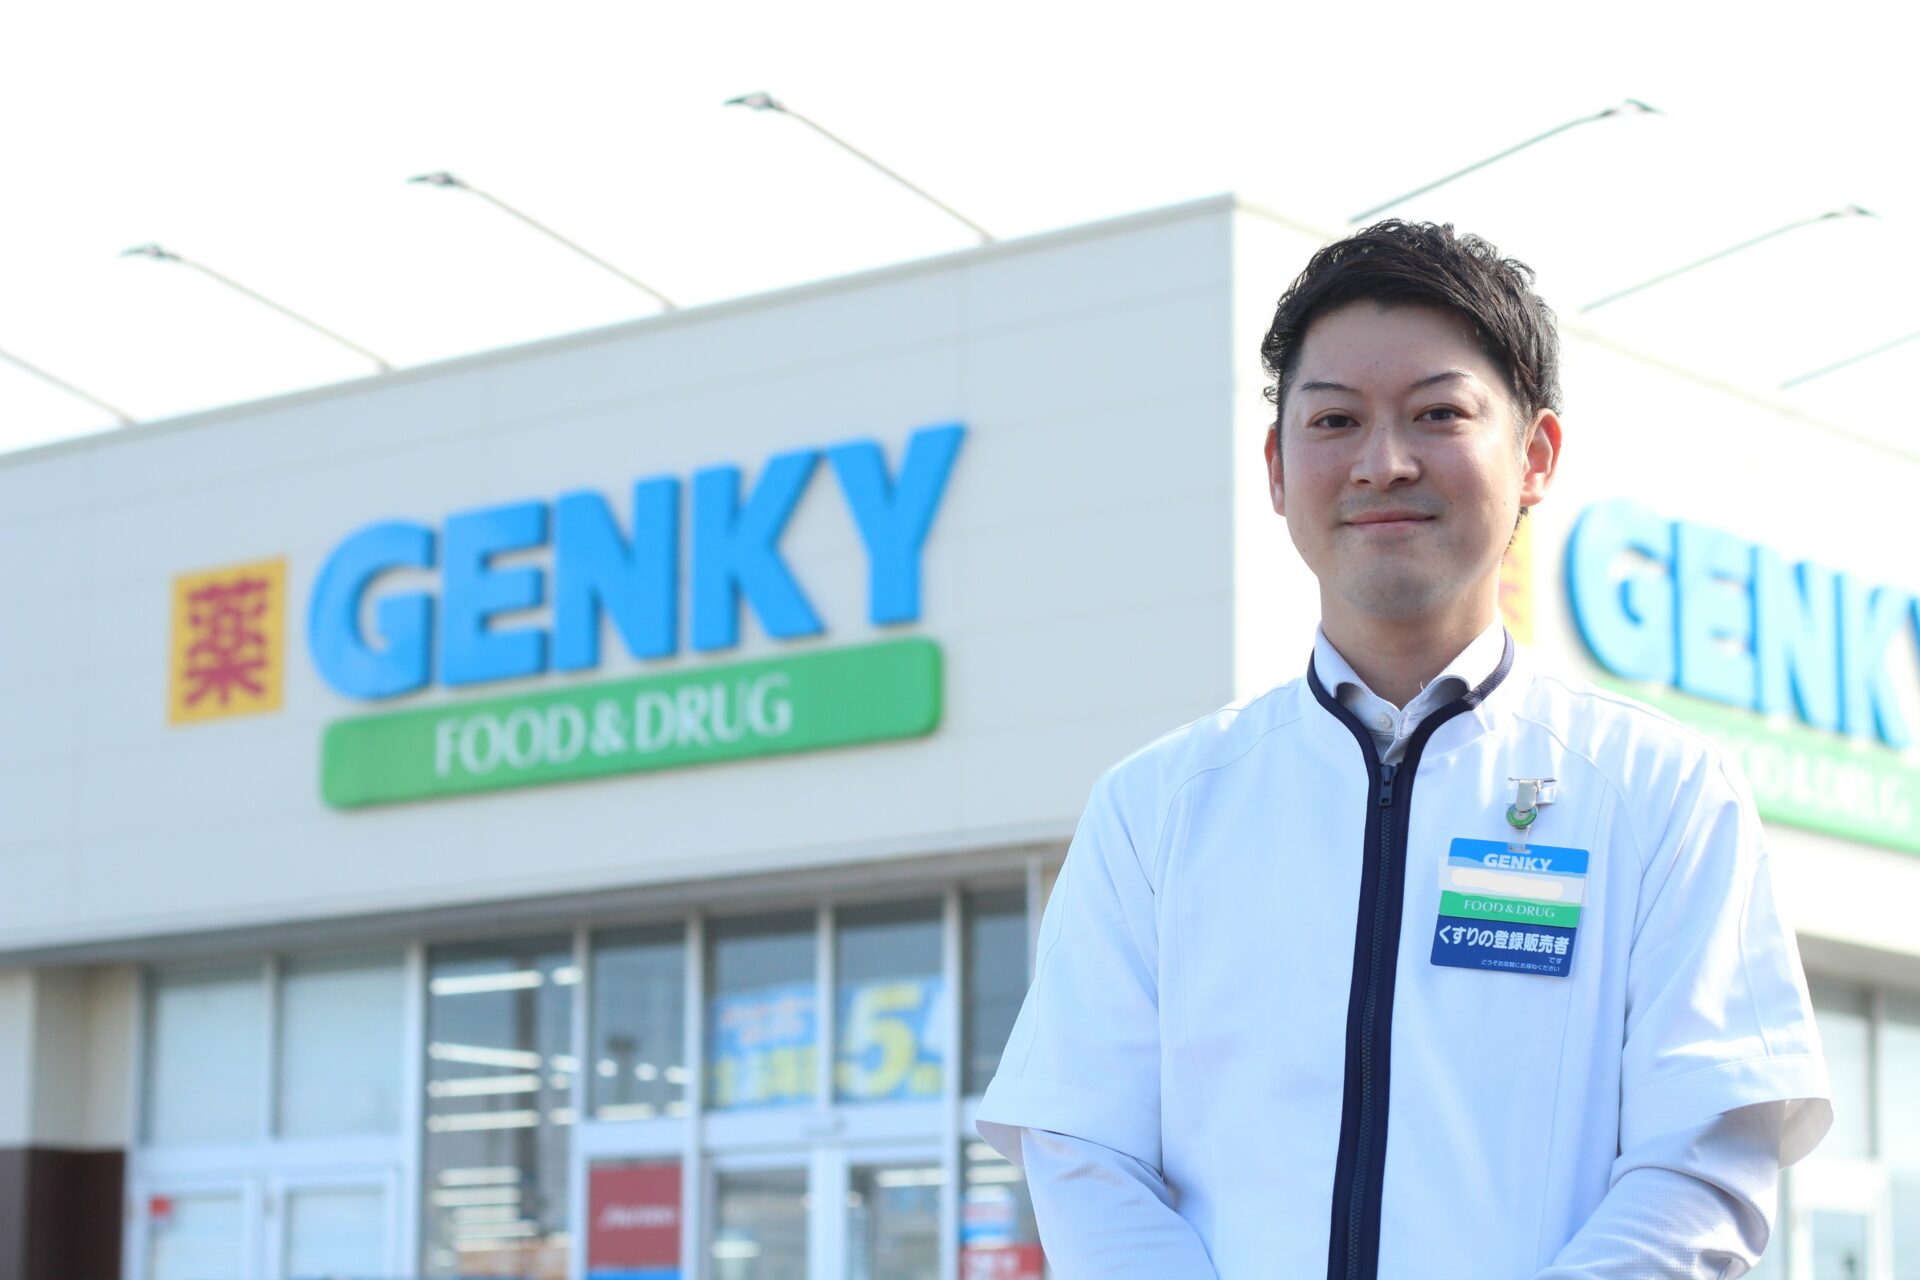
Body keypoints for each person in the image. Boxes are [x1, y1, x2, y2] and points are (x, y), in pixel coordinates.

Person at [972, 221, 1832, 1278]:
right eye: (1335, 420)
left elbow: (1702, 1158)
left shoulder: (1659, 793)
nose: (1383, 463)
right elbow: (1085, 1149)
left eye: (1439, 413)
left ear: (1536, 456)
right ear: (1278, 467)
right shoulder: (1156, 809)